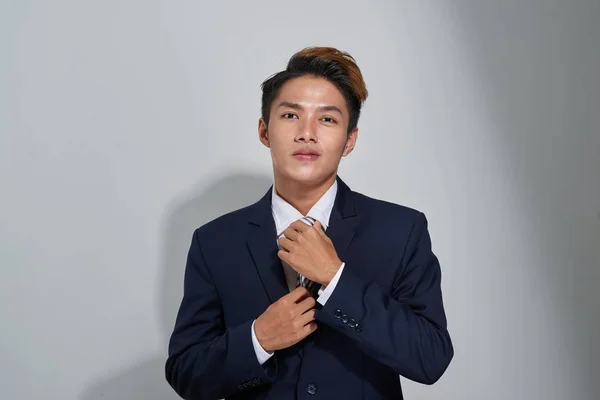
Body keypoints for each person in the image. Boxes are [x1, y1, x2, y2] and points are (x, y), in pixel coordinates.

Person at [165, 46, 453, 400]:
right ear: (264, 131)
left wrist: (337, 279)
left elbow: (430, 359)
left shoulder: (401, 230)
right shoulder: (214, 241)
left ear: (350, 140)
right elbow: (186, 374)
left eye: (328, 119)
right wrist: (258, 339)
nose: (307, 133)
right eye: (290, 116)